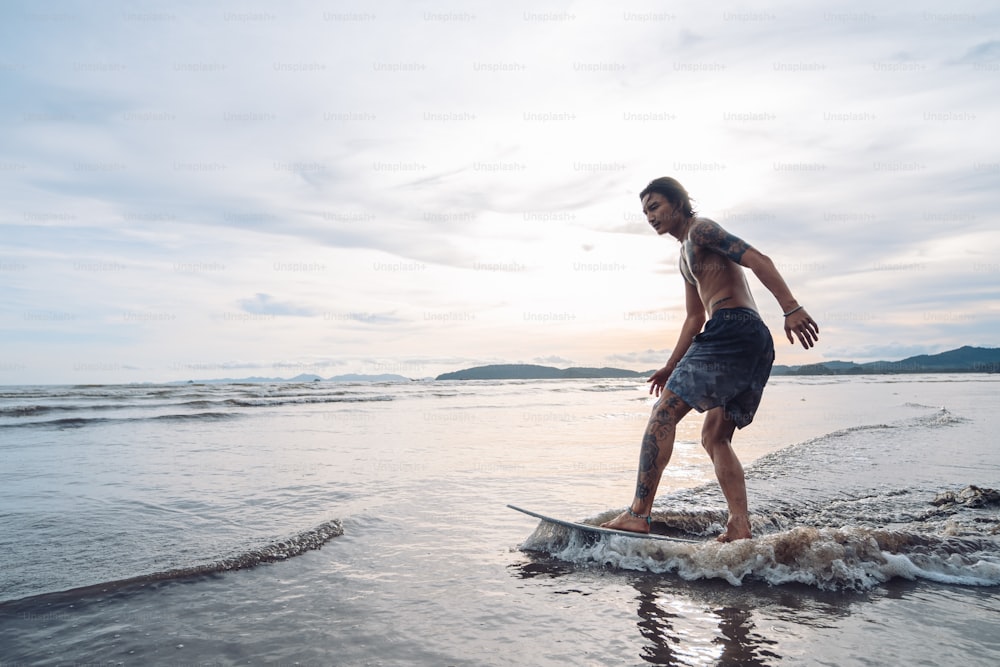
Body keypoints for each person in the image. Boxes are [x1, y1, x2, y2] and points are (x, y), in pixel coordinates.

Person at [601, 177, 819, 541]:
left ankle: (638, 514)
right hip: (753, 340)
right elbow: (693, 318)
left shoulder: (701, 230)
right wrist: (671, 365)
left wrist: (791, 307)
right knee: (715, 436)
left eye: (654, 207)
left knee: (664, 413)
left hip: (732, 329)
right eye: (644, 212)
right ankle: (739, 525)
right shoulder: (685, 255)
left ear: (679, 203)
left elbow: (757, 259)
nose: (649, 216)